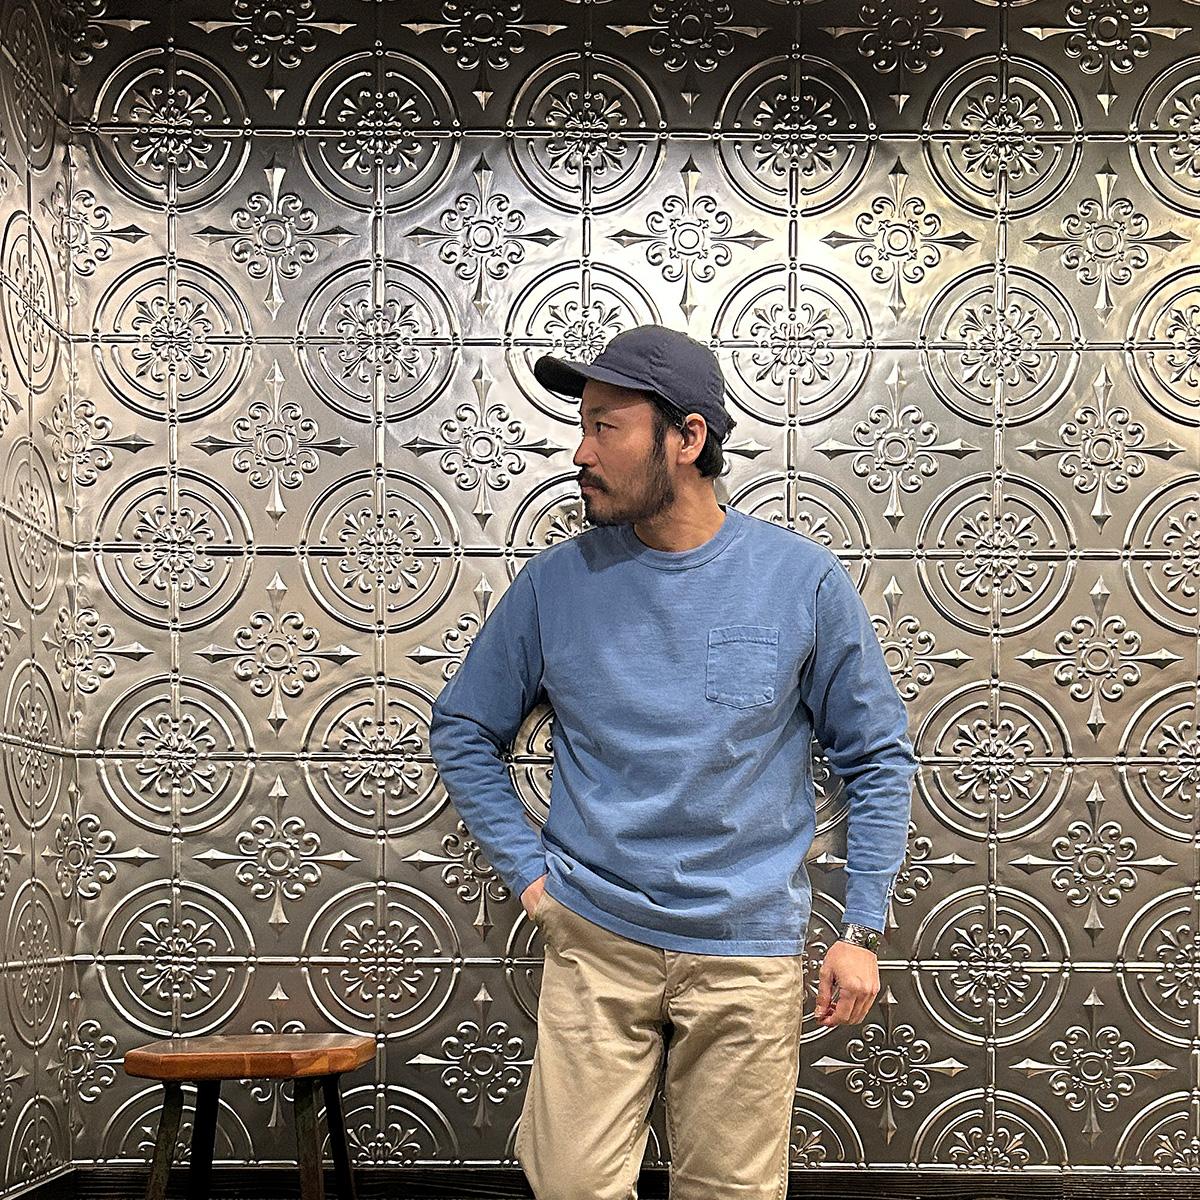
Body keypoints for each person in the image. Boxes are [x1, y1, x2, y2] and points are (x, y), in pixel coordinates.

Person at [428, 324, 919, 1199]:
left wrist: (863, 931)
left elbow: (877, 756)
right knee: (571, 1186)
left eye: (605, 427)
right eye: (582, 426)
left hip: (747, 949)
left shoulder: (801, 581)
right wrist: (534, 881)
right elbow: (464, 728)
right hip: (595, 938)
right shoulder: (555, 584)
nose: (580, 453)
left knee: (730, 1193)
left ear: (687, 438)